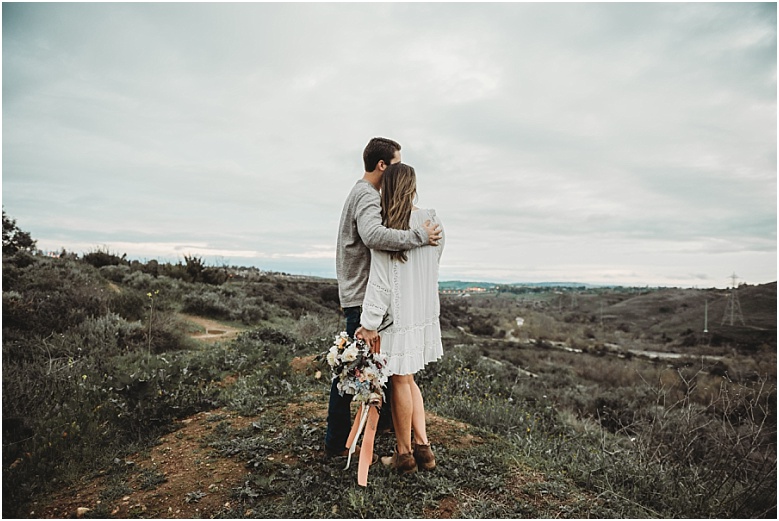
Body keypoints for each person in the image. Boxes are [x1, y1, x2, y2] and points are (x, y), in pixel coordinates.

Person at [325, 138, 441, 458]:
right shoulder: (366, 195)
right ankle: (337, 443)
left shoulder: (361, 192)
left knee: (382, 366)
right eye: (396, 163)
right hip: (364, 297)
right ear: (382, 165)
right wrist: (419, 236)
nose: (398, 170)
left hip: (363, 295)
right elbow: (373, 236)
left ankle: (390, 427)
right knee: (353, 368)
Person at [357, 162, 445, 474]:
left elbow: (380, 284)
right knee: (408, 378)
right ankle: (423, 449)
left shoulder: (390, 228)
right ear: (413, 187)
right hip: (422, 311)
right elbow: (434, 261)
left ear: (388, 188)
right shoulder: (433, 221)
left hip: (398, 315)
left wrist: (368, 324)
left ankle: (404, 454)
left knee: (400, 380)